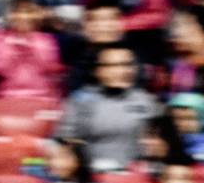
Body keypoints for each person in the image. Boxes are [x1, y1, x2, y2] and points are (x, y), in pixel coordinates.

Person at [58, 44, 161, 172]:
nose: (121, 71)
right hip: (92, 176)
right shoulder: (80, 101)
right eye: (112, 66)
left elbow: (159, 145)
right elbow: (66, 142)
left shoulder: (147, 101)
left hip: (134, 176)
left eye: (127, 65)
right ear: (98, 71)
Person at [0, 0, 63, 101]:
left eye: (28, 12)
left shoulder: (47, 41)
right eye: (18, 12)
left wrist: (30, 49)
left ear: (37, 15)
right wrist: (12, 52)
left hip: (40, 100)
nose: (23, 17)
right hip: (5, 100)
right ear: (10, 16)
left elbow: (53, 75)